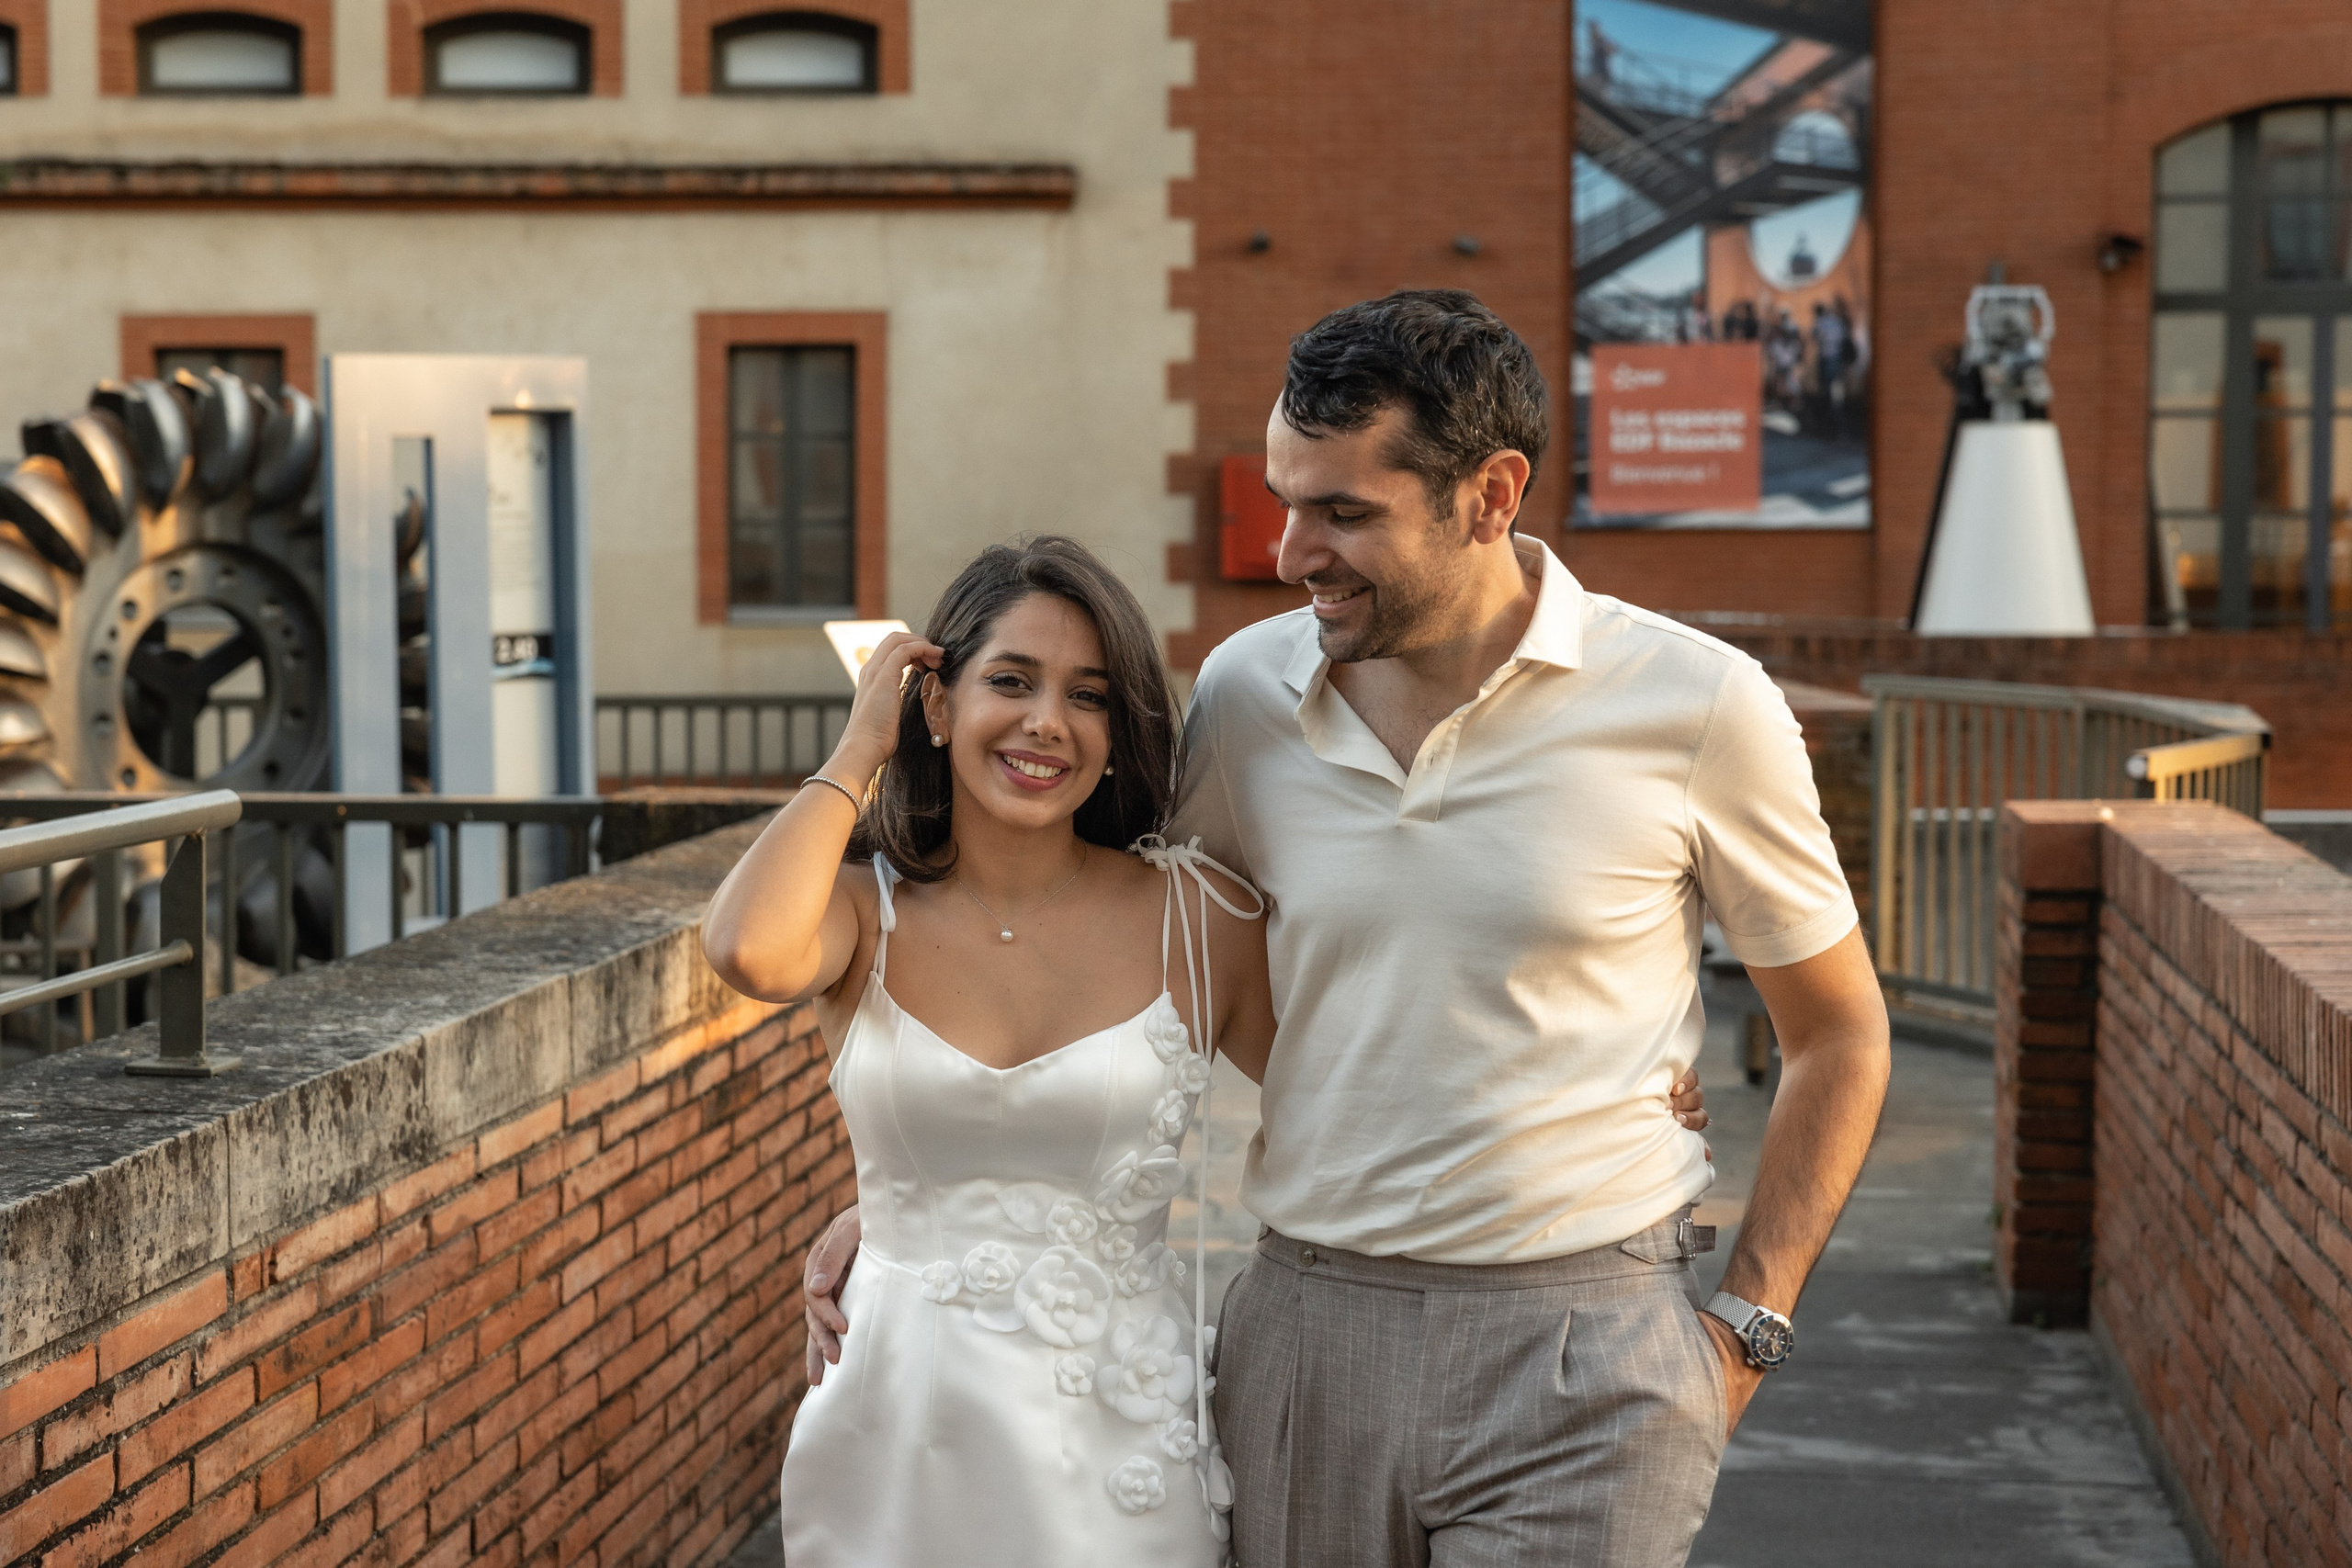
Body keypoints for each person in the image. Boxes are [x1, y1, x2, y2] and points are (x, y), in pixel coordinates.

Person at [807, 288, 1874, 1568]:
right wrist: (960, 1179)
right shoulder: (1249, 693)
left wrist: (1746, 1324)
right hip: (1306, 1327)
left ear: (1491, 494)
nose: (1290, 546)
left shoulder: (1701, 703)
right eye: (1285, 497)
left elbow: (1839, 1032)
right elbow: (1118, 964)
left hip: (1585, 1347)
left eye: (1344, 512)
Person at [703, 538, 1274, 1565]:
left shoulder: (1199, 918)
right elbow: (745, 948)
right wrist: (853, 757)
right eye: (1010, 681)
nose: (1047, 721)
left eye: (1088, 695)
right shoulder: (861, 915)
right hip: (895, 1430)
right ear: (936, 704)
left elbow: (1351, 1110)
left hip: (1113, 1446)